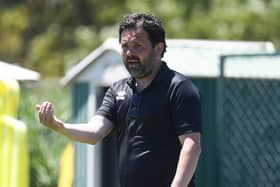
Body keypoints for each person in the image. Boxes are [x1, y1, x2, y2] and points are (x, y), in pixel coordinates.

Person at [36, 13, 202, 187]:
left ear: (158, 48)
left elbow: (191, 146)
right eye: (125, 46)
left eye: (138, 46)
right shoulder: (117, 90)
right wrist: (58, 126)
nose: (130, 53)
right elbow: (94, 132)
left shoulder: (179, 87)